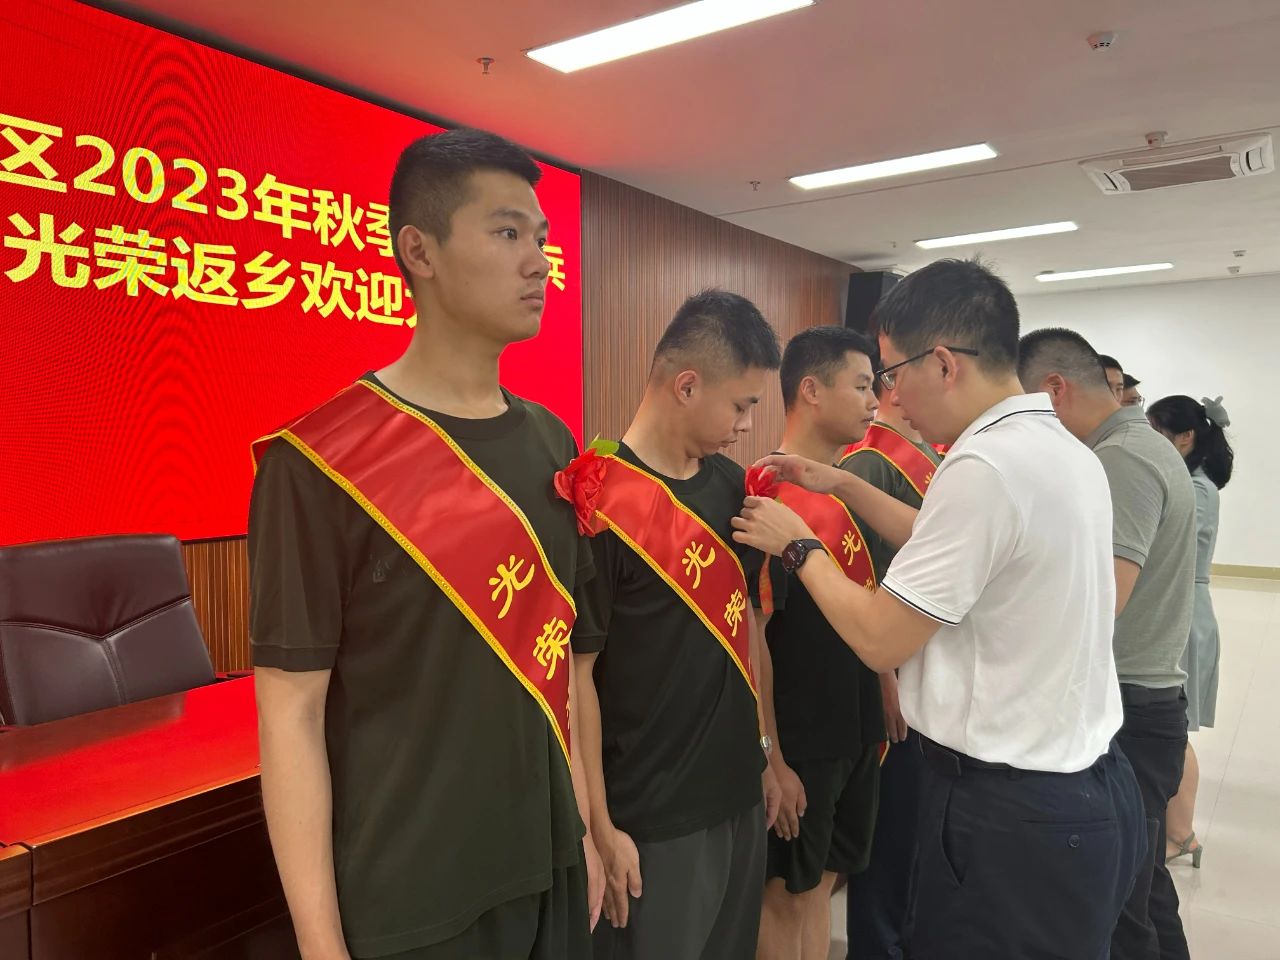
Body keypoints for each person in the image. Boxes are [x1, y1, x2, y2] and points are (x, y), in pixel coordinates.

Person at [249, 128, 600, 960]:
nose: (538, 263)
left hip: (547, 863)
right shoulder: (320, 465)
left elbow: (555, 663)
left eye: (541, 238)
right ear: (420, 251)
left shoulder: (552, 442)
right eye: (507, 232)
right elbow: (289, 713)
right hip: (414, 897)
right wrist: (320, 943)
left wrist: (583, 827)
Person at [733, 259, 1144, 960]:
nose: (887, 398)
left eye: (891, 374)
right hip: (1080, 790)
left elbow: (881, 639)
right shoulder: (1059, 450)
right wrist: (841, 485)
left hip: (1012, 811)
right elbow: (949, 541)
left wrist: (799, 545)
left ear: (945, 364)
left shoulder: (985, 468)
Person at [564, 290, 783, 960]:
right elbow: (576, 680)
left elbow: (746, 630)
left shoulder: (733, 489)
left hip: (738, 795)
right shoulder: (597, 503)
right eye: (741, 405)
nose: (748, 423)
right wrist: (598, 826)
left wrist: (766, 753)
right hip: (654, 817)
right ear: (687, 386)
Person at [1018, 328, 1197, 960]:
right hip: (1142, 700)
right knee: (1142, 888)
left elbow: (1101, 601)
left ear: (1053, 390)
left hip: (1129, 704)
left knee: (1121, 903)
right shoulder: (1140, 446)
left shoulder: (1121, 461)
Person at [753, 326, 885, 960]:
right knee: (787, 893)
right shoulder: (764, 497)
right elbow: (754, 639)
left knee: (824, 884)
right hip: (802, 737)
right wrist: (772, 757)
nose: (874, 401)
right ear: (810, 390)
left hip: (855, 725)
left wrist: (884, 686)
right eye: (860, 386)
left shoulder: (844, 490)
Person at [840, 373, 942, 960]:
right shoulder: (868, 465)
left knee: (915, 836)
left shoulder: (939, 459)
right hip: (894, 673)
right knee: (892, 838)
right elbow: (865, 579)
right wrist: (885, 678)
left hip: (931, 673)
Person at [1147, 395, 1235, 869]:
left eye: (1157, 432)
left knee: (1175, 729)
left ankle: (1181, 834)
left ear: (1186, 437)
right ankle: (1176, 830)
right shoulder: (1190, 480)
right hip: (1178, 603)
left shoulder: (1197, 489)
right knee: (1171, 728)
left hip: (1184, 608)